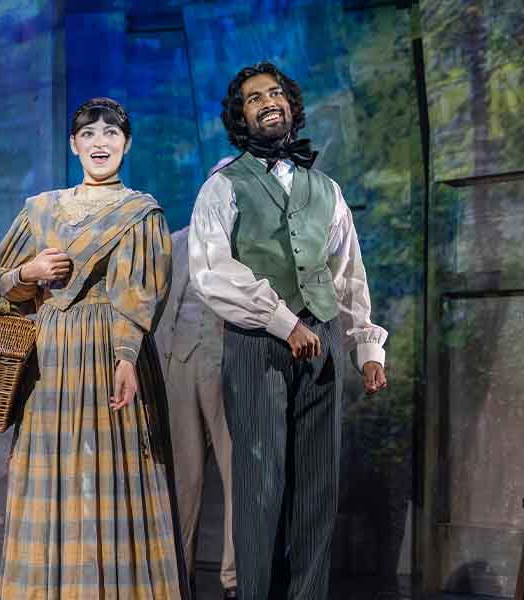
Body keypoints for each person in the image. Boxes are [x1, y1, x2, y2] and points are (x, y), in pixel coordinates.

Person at [188, 61, 388, 600]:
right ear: (241, 115)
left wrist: (366, 347)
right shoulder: (222, 186)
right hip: (256, 344)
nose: (267, 102)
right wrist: (281, 321)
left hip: (321, 341)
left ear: (291, 107)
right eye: (254, 98)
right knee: (259, 484)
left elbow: (347, 273)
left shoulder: (326, 188)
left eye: (275, 93)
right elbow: (212, 272)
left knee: (317, 485)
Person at [0, 97, 187, 599]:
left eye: (111, 133)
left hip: (112, 355)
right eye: (89, 134)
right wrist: (26, 274)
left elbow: (141, 293)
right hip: (50, 364)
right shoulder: (41, 209)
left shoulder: (140, 213)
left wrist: (125, 357)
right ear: (73, 145)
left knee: (115, 472)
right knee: (52, 473)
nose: (101, 142)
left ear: (127, 144)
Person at [154, 224, 236, 599]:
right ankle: (178, 575)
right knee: (183, 478)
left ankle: (236, 579)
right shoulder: (173, 244)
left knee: (240, 476)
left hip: (229, 368)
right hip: (179, 366)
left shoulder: (252, 245)